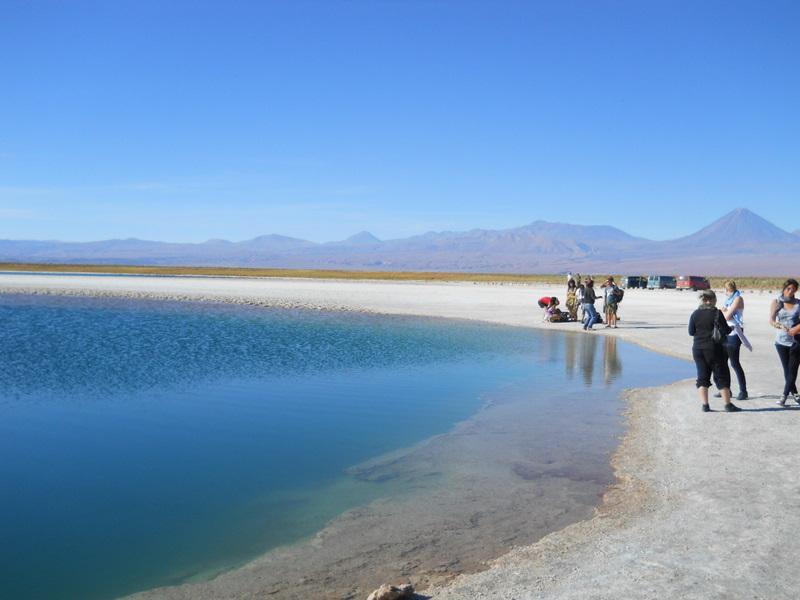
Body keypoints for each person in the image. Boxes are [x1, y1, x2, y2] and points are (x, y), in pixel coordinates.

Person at [688, 290, 740, 412]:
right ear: (711, 300)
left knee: (702, 377)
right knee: (721, 375)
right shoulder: (716, 313)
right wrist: (731, 327)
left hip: (698, 349)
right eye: (715, 299)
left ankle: (705, 405)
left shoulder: (695, 314)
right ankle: (727, 404)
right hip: (714, 348)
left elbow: (691, 332)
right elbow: (726, 331)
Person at [769, 278, 800, 406]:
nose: (790, 291)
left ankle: (784, 396)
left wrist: (796, 329)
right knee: (787, 371)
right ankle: (797, 395)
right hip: (780, 341)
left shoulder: (799, 303)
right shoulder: (776, 302)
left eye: (793, 289)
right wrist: (779, 325)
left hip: (796, 341)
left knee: (792, 370)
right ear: (784, 288)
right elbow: (771, 320)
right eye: (788, 288)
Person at [719, 280, 748, 400]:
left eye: (726, 290)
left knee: (735, 363)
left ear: (729, 289)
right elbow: (722, 312)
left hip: (735, 332)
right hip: (726, 332)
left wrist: (724, 311)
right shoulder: (728, 300)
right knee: (723, 363)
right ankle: (726, 390)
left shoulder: (738, 299)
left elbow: (726, 316)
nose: (725, 292)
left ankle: (743, 391)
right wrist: (723, 311)